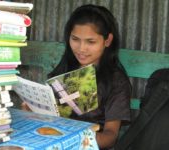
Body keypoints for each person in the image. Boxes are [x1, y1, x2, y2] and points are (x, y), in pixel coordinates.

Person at [22, 4, 131, 150]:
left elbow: (110, 137)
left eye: (90, 42)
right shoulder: (65, 68)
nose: (81, 49)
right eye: (75, 39)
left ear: (107, 40)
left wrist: (74, 140)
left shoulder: (116, 81)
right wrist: (33, 109)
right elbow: (50, 114)